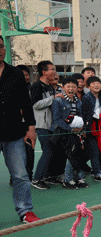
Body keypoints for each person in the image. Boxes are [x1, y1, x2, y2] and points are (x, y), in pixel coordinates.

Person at [0, 37, 40, 223]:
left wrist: (31, 128)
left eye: (1, 46)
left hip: (14, 132)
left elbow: (26, 102)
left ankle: (25, 211)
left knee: (21, 175)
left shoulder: (15, 73)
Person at [30, 60, 61, 190]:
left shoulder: (49, 86)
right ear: (44, 72)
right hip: (41, 124)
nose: (54, 71)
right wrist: (54, 98)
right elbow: (35, 104)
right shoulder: (37, 85)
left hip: (51, 125)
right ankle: (36, 179)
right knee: (47, 151)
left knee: (52, 151)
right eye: (51, 69)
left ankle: (48, 176)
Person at [81, 76, 101, 183]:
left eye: (98, 83)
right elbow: (84, 114)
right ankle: (97, 173)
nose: (96, 85)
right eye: (93, 84)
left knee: (95, 150)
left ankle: (96, 170)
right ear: (88, 86)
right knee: (93, 151)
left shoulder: (100, 97)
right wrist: (84, 129)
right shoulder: (87, 98)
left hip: (98, 127)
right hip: (90, 128)